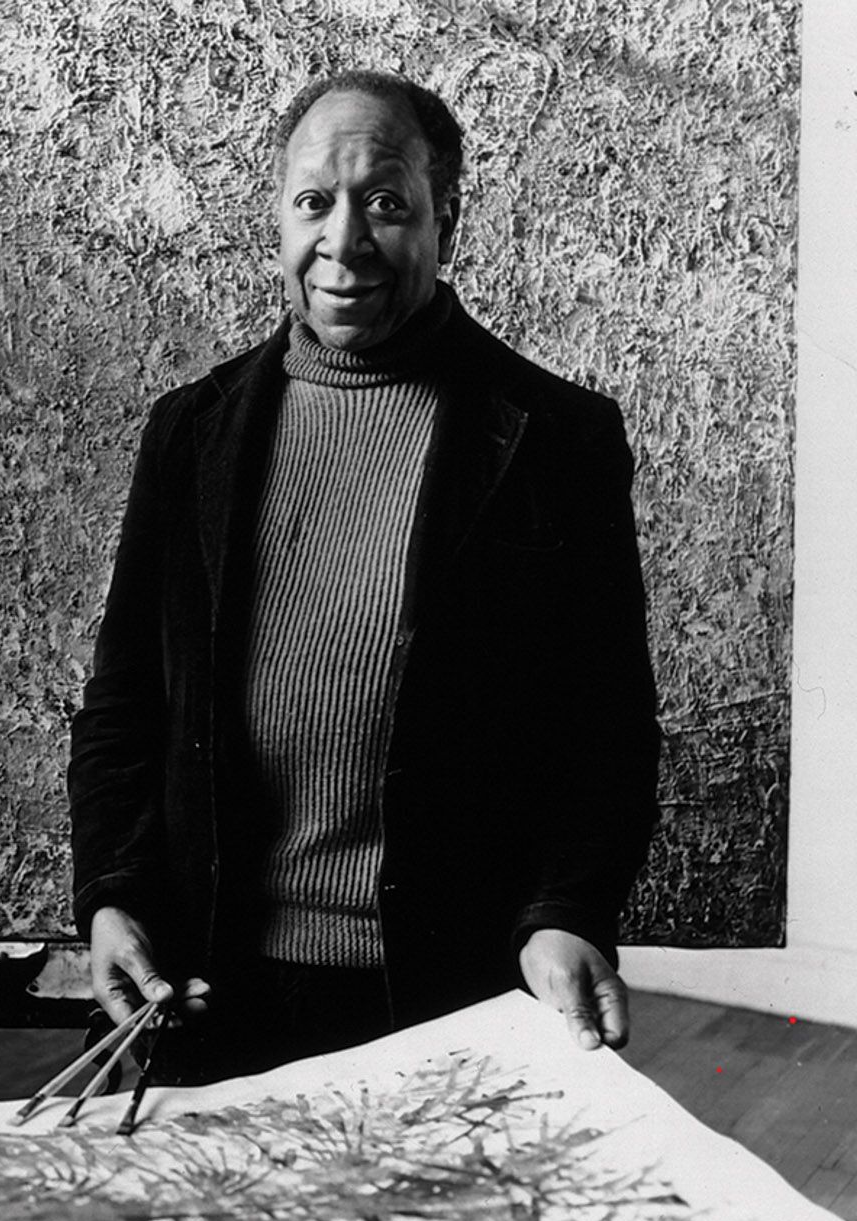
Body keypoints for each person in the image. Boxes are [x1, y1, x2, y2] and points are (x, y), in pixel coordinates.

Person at [68, 69, 661, 1085]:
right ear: (278, 216)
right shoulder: (190, 431)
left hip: (451, 990)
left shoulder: (556, 440)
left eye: (385, 203)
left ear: (446, 218)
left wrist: (564, 913)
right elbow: (125, 700)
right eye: (313, 202)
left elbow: (604, 728)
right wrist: (114, 892)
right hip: (208, 987)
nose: (343, 242)